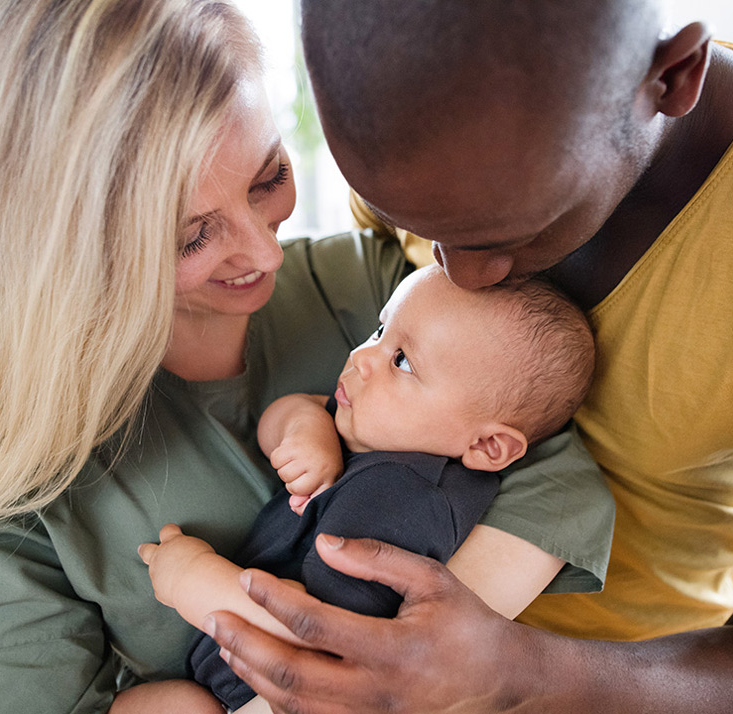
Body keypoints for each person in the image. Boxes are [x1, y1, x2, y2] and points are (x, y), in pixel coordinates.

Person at [0, 2, 614, 713]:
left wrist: (412, 670)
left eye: (269, 177)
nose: (266, 252)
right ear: (67, 242)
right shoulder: (9, 481)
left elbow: (554, 473)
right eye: (192, 237)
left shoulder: (372, 290)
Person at [204, 1, 733, 712]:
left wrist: (515, 669)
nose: (457, 275)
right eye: (419, 227)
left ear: (672, 77)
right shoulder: (411, 117)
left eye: (506, 234)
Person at [137, 263, 597, 713]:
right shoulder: (378, 431)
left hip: (271, 692)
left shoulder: (403, 494)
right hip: (226, 681)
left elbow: (322, 635)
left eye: (402, 362)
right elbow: (284, 413)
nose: (362, 357)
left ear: (488, 445)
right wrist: (305, 427)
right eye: (380, 332)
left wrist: (194, 580)